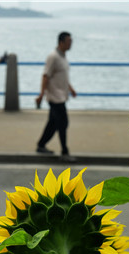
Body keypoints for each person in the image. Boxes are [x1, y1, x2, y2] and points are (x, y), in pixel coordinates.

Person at [35, 31, 77, 162]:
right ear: (61, 42)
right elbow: (45, 76)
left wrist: (70, 88)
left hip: (61, 96)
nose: (71, 43)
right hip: (55, 97)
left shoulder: (63, 57)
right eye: (69, 41)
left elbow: (61, 76)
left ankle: (41, 145)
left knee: (52, 124)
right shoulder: (53, 57)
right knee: (63, 124)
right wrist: (41, 95)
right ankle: (65, 152)